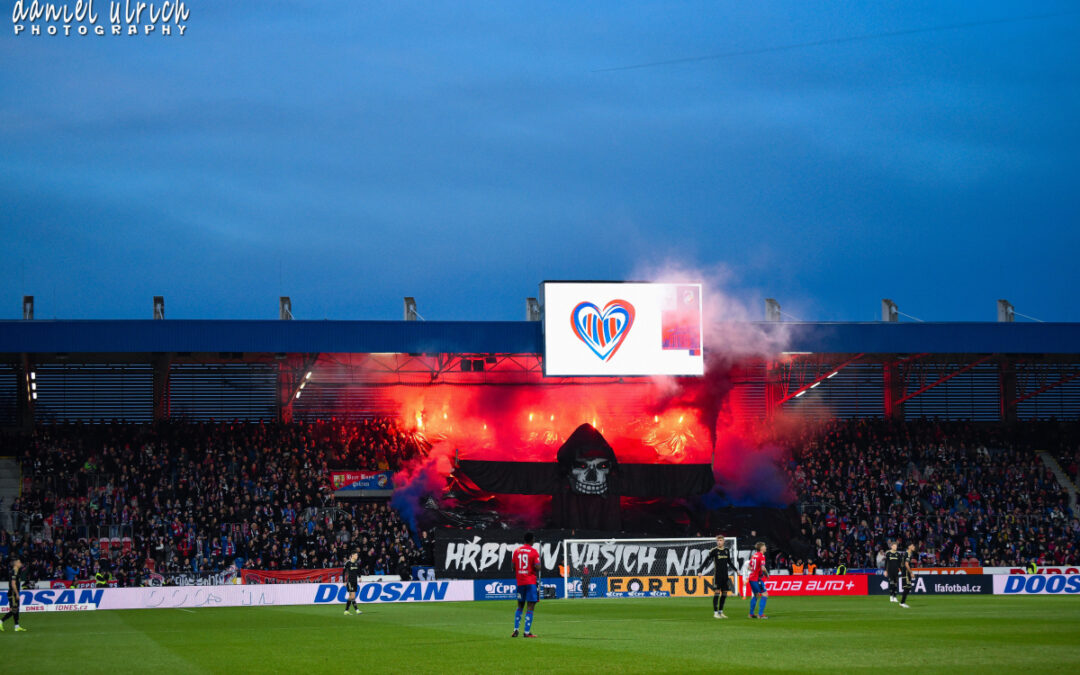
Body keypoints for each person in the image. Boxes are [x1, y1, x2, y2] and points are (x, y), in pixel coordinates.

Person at [511, 532, 540, 638]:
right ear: (531, 540)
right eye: (534, 539)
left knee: (520, 606)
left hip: (520, 582)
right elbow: (537, 567)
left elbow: (513, 567)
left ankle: (515, 630)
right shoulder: (533, 552)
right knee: (531, 606)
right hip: (530, 582)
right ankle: (526, 632)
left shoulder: (516, 551)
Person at [703, 535, 739, 619]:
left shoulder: (726, 551)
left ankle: (721, 612)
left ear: (723, 541)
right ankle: (715, 613)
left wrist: (736, 570)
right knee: (717, 593)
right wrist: (700, 570)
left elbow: (729, 562)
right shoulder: (714, 551)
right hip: (717, 576)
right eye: (718, 540)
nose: (719, 542)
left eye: (720, 540)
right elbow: (706, 560)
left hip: (725, 576)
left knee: (724, 593)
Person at [1, 558, 26, 632]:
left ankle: (17, 626)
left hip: (13, 593)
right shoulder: (14, 572)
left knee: (16, 609)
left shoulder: (16, 571)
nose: (20, 563)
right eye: (19, 562)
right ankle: (1, 621)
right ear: (15, 564)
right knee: (14, 610)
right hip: (13, 593)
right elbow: (13, 584)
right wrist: (17, 594)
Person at [748, 542, 769, 620]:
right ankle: (760, 614)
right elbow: (763, 568)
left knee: (756, 595)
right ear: (761, 548)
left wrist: (755, 570)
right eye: (764, 546)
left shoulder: (754, 555)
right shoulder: (761, 556)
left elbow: (749, 567)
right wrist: (767, 575)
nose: (765, 547)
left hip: (752, 578)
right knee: (765, 594)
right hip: (756, 579)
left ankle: (751, 614)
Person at [343, 551, 362, 615]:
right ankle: (357, 610)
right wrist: (344, 581)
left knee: (351, 597)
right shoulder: (348, 563)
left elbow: (358, 571)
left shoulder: (357, 563)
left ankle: (346, 611)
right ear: (352, 555)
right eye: (356, 555)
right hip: (350, 581)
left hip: (355, 581)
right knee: (353, 596)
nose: (357, 556)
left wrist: (359, 577)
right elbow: (343, 572)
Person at [899, 543, 916, 609]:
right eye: (912, 545)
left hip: (905, 572)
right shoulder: (908, 554)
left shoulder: (907, 554)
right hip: (906, 573)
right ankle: (902, 603)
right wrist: (911, 573)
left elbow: (902, 563)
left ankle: (902, 602)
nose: (914, 546)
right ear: (909, 547)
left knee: (908, 587)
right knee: (907, 587)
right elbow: (906, 564)